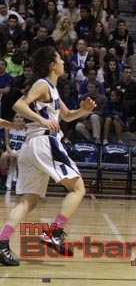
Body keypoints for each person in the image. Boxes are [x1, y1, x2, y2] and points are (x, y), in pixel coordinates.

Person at [0, 46, 96, 266]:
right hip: (44, 142)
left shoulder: (52, 89)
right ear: (52, 65)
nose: (63, 62)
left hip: (31, 147)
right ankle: (55, 233)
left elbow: (67, 116)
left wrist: (84, 111)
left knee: (29, 201)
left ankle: (2, 243)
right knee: (78, 188)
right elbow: (18, 105)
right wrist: (42, 120)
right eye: (60, 59)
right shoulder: (42, 84)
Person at [74, 80, 106, 145]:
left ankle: (97, 139)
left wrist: (90, 113)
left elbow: (102, 112)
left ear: (97, 89)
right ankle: (92, 140)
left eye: (91, 87)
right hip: (86, 120)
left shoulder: (103, 98)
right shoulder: (83, 98)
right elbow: (78, 112)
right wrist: (85, 119)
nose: (89, 89)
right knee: (78, 126)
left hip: (99, 120)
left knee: (93, 117)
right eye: (88, 87)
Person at [115, 66, 136, 133]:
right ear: (123, 73)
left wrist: (131, 103)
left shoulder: (135, 85)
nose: (128, 74)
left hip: (131, 106)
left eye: (130, 73)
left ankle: (134, 126)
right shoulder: (118, 84)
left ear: (132, 74)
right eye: (126, 72)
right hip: (120, 106)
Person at [0, 114, 26, 191]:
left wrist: (18, 153)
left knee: (19, 157)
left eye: (21, 117)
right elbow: (7, 144)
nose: (19, 119)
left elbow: (27, 144)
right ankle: (4, 179)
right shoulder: (8, 128)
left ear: (24, 119)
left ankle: (18, 180)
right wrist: (11, 152)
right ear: (13, 119)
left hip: (22, 150)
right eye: (16, 117)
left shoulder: (26, 129)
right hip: (11, 149)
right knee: (3, 156)